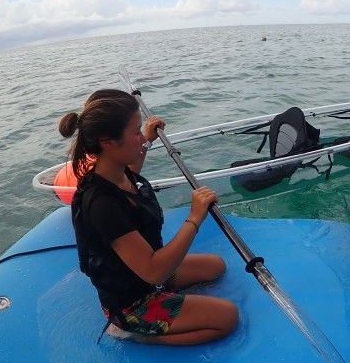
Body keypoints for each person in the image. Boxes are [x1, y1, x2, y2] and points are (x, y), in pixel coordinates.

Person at [59, 89, 238, 344]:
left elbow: (132, 169)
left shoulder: (115, 171)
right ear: (108, 141)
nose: (141, 138)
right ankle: (134, 332)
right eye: (135, 132)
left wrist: (148, 138)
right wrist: (195, 217)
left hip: (142, 276)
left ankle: (164, 304)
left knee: (216, 265)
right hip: (132, 300)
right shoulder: (102, 205)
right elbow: (154, 270)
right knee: (227, 317)